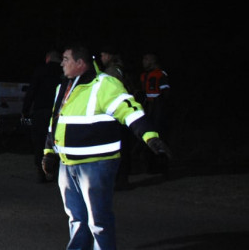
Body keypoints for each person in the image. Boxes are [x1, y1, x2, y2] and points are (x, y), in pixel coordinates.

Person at [41, 43, 172, 250]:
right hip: (67, 165)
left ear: (80, 63)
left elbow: (129, 110)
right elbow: (54, 123)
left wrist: (150, 137)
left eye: (66, 59)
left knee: (98, 220)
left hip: (96, 165)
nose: (62, 64)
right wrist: (49, 153)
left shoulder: (104, 84)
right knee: (76, 218)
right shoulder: (62, 87)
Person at [21, 49, 62, 183]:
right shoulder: (64, 72)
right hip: (58, 113)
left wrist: (25, 110)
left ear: (48, 58)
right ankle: (57, 172)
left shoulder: (41, 70)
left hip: (41, 112)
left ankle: (41, 172)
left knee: (39, 142)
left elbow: (32, 91)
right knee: (58, 142)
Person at [100, 46, 136, 190]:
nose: (101, 58)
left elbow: (111, 94)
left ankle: (120, 180)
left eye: (103, 55)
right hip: (122, 113)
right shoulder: (120, 69)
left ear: (109, 55)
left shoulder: (112, 72)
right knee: (122, 146)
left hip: (116, 114)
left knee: (117, 148)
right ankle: (122, 178)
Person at [139, 52, 171, 175]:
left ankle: (163, 167)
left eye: (146, 59)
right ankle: (150, 166)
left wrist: (161, 109)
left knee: (160, 136)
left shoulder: (160, 74)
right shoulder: (144, 76)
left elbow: (165, 94)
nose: (144, 61)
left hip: (158, 110)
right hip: (147, 109)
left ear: (153, 60)